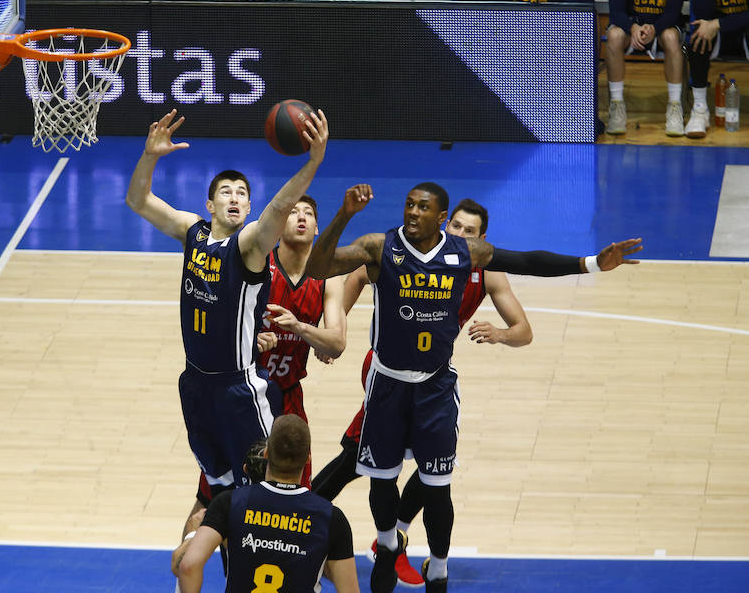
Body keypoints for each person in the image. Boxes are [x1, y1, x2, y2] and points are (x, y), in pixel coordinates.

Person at [304, 182, 642, 593]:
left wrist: (589, 263)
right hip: (387, 383)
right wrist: (344, 215)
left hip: (434, 386)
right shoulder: (380, 247)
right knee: (380, 478)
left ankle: (439, 569)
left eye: (423, 207)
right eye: (409, 205)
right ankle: (389, 544)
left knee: (436, 486)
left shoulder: (467, 254)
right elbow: (320, 269)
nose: (412, 212)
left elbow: (527, 260)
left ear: (440, 217)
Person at [310, 198, 533, 587]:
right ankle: (309, 514)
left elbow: (524, 332)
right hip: (389, 369)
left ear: (482, 240)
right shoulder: (413, 253)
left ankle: (394, 535)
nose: (459, 235)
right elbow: (360, 275)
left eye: (469, 231)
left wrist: (500, 334)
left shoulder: (484, 269)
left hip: (431, 375)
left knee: (434, 467)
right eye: (457, 227)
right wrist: (337, 328)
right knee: (357, 459)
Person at [125, 107, 329, 498]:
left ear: (250, 209)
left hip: (239, 390)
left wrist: (312, 163)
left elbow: (280, 208)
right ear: (210, 205)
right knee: (217, 493)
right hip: (195, 385)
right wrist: (149, 155)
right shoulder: (192, 232)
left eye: (242, 194)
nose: (235, 198)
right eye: (226, 192)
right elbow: (138, 200)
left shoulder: (249, 246)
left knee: (266, 491)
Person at [190, 194, 347, 521]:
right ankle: (188, 560)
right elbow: (212, 325)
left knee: (296, 499)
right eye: (292, 212)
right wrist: (248, 341)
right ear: (278, 225)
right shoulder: (257, 267)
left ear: (317, 228)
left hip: (288, 401)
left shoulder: (326, 278)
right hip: (244, 397)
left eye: (308, 213)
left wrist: (301, 328)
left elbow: (336, 343)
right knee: (214, 500)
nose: (301, 217)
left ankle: (297, 569)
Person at [172, 414, 360, 593]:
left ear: (267, 453)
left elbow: (187, 566)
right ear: (307, 459)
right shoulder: (332, 519)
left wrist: (192, 535)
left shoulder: (229, 503)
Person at [605, 0, 686, 136]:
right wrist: (633, 28)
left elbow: (673, 13)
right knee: (614, 36)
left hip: (663, 27)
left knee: (671, 37)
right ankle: (616, 105)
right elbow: (616, 12)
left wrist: (655, 28)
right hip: (631, 28)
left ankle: (675, 106)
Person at [684, 0, 749, 137]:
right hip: (717, 33)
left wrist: (719, 23)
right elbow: (703, 15)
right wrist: (715, 25)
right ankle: (700, 109)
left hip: (741, 30)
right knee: (698, 36)